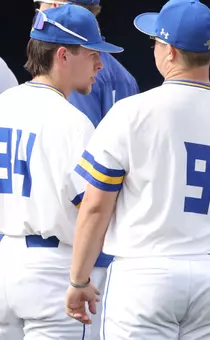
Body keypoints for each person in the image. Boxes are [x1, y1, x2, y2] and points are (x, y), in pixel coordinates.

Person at [63, 0, 210, 338]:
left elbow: (96, 206)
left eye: (157, 41)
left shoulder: (131, 112)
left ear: (170, 51)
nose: (155, 48)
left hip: (146, 272)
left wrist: (79, 279)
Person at [0, 4, 123, 339]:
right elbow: (93, 207)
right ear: (64, 55)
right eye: (92, 53)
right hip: (54, 272)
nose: (100, 63)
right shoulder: (71, 122)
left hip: (5, 260)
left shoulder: (5, 104)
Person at [35, 0, 139, 128]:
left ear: (55, 7)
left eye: (39, 7)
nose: (99, 65)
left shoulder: (72, 75)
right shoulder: (125, 77)